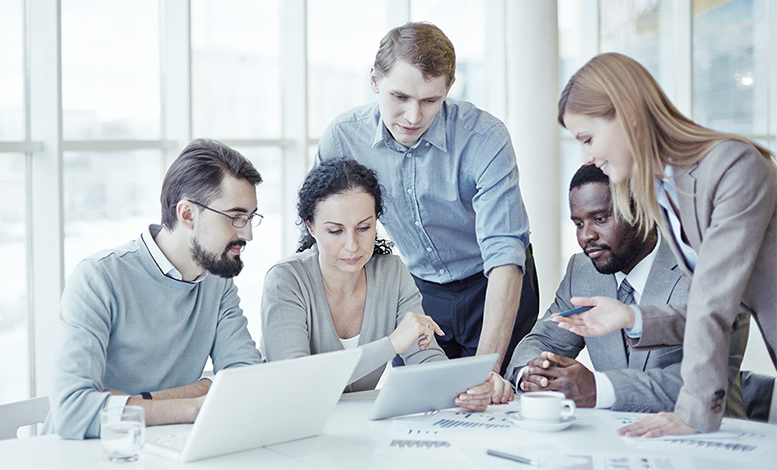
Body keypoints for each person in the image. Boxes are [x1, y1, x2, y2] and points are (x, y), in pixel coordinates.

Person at [554, 52, 777, 436]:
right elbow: (703, 305)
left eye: (588, 139)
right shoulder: (667, 190)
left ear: (627, 113)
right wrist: (632, 317)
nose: (587, 156)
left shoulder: (733, 167)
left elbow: (714, 308)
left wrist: (692, 412)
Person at [316, 22, 538, 375]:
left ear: (449, 88)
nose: (413, 116)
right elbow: (322, 231)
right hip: (421, 289)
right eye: (400, 97)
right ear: (375, 81)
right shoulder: (343, 139)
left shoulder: (484, 138)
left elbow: (504, 254)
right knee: (426, 401)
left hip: (493, 285)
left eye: (430, 100)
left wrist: (487, 374)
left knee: (496, 399)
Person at [45, 139, 265, 439]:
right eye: (236, 218)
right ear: (187, 214)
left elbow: (247, 382)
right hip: (87, 455)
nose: (248, 234)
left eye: (251, 218)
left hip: (163, 449)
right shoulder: (100, 277)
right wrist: (193, 406)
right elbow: (73, 412)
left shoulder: (218, 281)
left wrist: (140, 402)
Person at [260, 158, 512, 409]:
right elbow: (295, 382)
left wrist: (469, 386)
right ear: (311, 227)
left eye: (364, 228)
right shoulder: (286, 280)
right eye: (335, 231)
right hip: (288, 425)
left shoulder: (393, 273)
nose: (352, 245)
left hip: (354, 424)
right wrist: (391, 345)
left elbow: (425, 358)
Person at [507, 164, 748, 415]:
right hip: (617, 440)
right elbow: (543, 339)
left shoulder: (702, 268)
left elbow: (707, 380)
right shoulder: (582, 270)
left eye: (600, 219)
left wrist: (598, 388)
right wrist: (532, 374)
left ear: (642, 211)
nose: (586, 236)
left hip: (704, 437)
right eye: (578, 223)